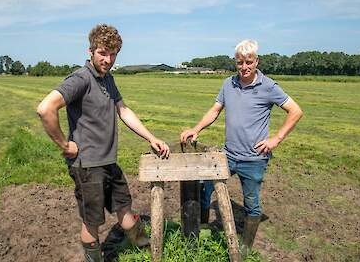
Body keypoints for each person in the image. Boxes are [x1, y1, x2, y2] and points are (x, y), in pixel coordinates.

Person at [37, 24, 170, 262]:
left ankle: (144, 250)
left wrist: (151, 137)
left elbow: (124, 110)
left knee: (125, 208)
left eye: (113, 54)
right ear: (90, 51)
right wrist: (65, 146)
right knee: (92, 222)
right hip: (87, 166)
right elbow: (45, 108)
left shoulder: (107, 79)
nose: (108, 59)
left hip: (109, 161)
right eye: (102, 53)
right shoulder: (81, 79)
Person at [180, 39, 303, 256]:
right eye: (239, 63)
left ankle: (245, 247)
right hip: (228, 154)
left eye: (249, 62)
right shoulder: (229, 84)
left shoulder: (268, 86)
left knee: (251, 203)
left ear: (257, 61)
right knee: (205, 188)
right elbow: (215, 110)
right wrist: (196, 129)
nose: (244, 67)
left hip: (254, 159)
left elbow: (295, 111)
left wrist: (276, 139)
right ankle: (205, 228)